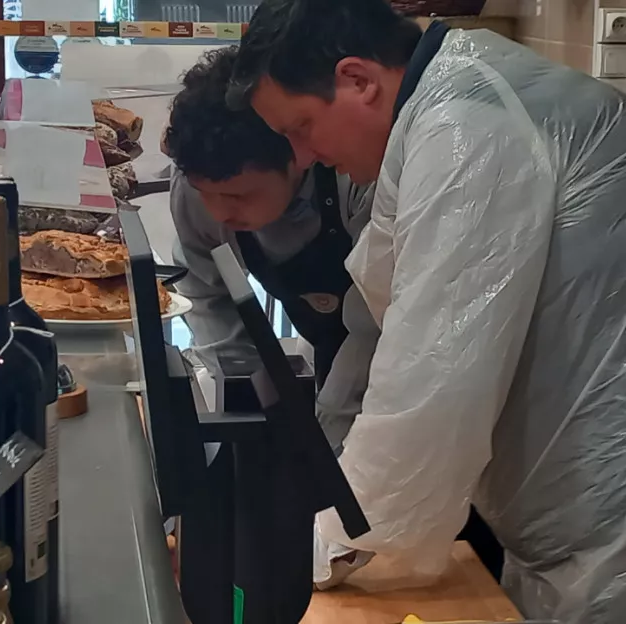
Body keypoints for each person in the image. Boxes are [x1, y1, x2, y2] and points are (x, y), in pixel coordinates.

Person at [227, 1, 626, 622]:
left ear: (358, 81)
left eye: (300, 128)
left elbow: (429, 387)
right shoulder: (449, 105)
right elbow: (396, 320)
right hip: (618, 509)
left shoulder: (466, 127)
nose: (303, 157)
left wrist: (322, 547)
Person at [165, 48, 506, 579]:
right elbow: (208, 298)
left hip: (407, 352)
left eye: (240, 196)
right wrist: (250, 411)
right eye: (207, 195)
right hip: (333, 344)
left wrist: (328, 442)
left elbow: (376, 328)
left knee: (415, 508)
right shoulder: (198, 191)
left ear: (297, 157)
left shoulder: (359, 184)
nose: (220, 213)